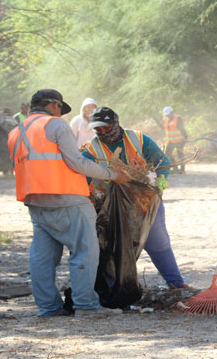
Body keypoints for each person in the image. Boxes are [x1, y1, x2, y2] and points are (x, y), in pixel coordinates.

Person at [7, 89, 131, 317]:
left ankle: (49, 307)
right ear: (54, 105)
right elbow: (77, 163)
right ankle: (86, 306)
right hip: (67, 198)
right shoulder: (55, 125)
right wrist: (112, 174)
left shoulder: (16, 132)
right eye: (59, 109)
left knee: (42, 258)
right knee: (85, 251)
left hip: (35, 201)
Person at [81, 106, 187, 288]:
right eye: (98, 129)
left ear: (116, 122)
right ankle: (118, 289)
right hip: (113, 207)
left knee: (157, 242)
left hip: (144, 201)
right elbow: (83, 178)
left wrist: (160, 182)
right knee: (117, 248)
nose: (104, 132)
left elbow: (163, 162)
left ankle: (176, 283)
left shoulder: (137, 139)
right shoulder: (91, 150)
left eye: (107, 127)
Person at [163, 106, 188, 174]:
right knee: (168, 154)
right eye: (166, 115)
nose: (167, 116)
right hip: (170, 141)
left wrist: (185, 137)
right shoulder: (166, 119)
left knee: (180, 154)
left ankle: (182, 170)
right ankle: (175, 168)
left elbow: (182, 129)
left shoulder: (178, 118)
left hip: (179, 140)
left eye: (168, 114)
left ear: (172, 112)